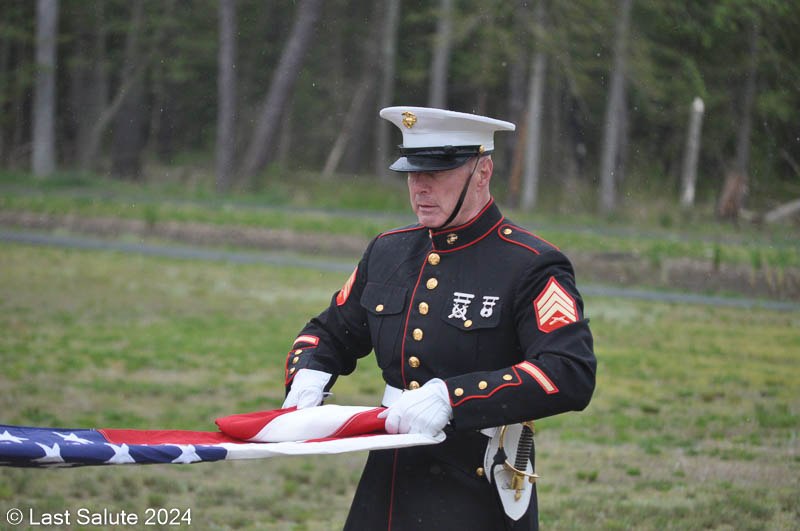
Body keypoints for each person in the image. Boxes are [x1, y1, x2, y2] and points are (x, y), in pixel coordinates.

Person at [281, 106, 596, 530]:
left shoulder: (529, 264)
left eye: (437, 172)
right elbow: (330, 333)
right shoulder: (389, 251)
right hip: (389, 476)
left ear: (482, 172)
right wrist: (308, 371)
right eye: (413, 173)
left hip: (477, 480)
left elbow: (569, 371)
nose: (420, 187)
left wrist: (454, 397)